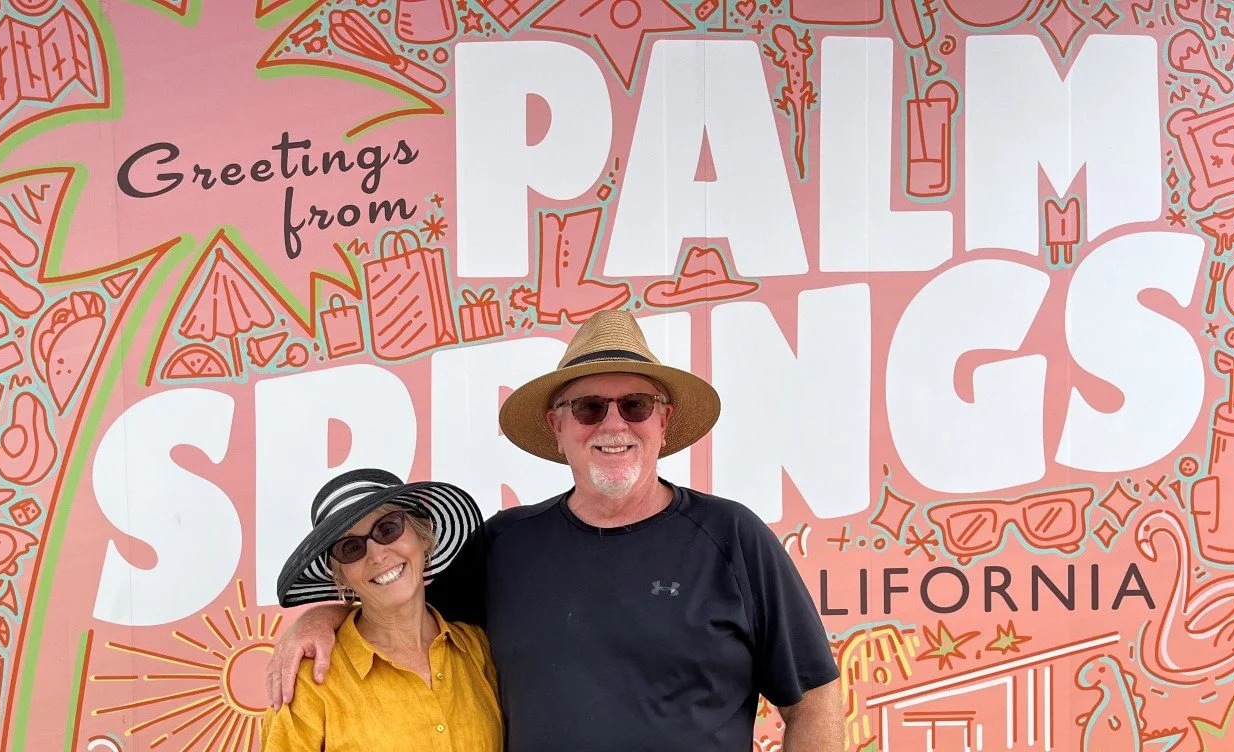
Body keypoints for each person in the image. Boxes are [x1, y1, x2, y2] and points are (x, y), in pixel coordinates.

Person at [268, 310, 844, 750]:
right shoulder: (504, 546)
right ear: (558, 424)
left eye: (636, 405)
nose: (614, 424)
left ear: (663, 422)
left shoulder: (733, 537)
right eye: (590, 408)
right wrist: (322, 616)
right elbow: (396, 593)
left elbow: (815, 701)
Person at [261, 468, 501, 751]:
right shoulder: (307, 683)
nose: (377, 555)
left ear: (424, 535)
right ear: (340, 576)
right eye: (350, 548)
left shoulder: (477, 648)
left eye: (387, 529)